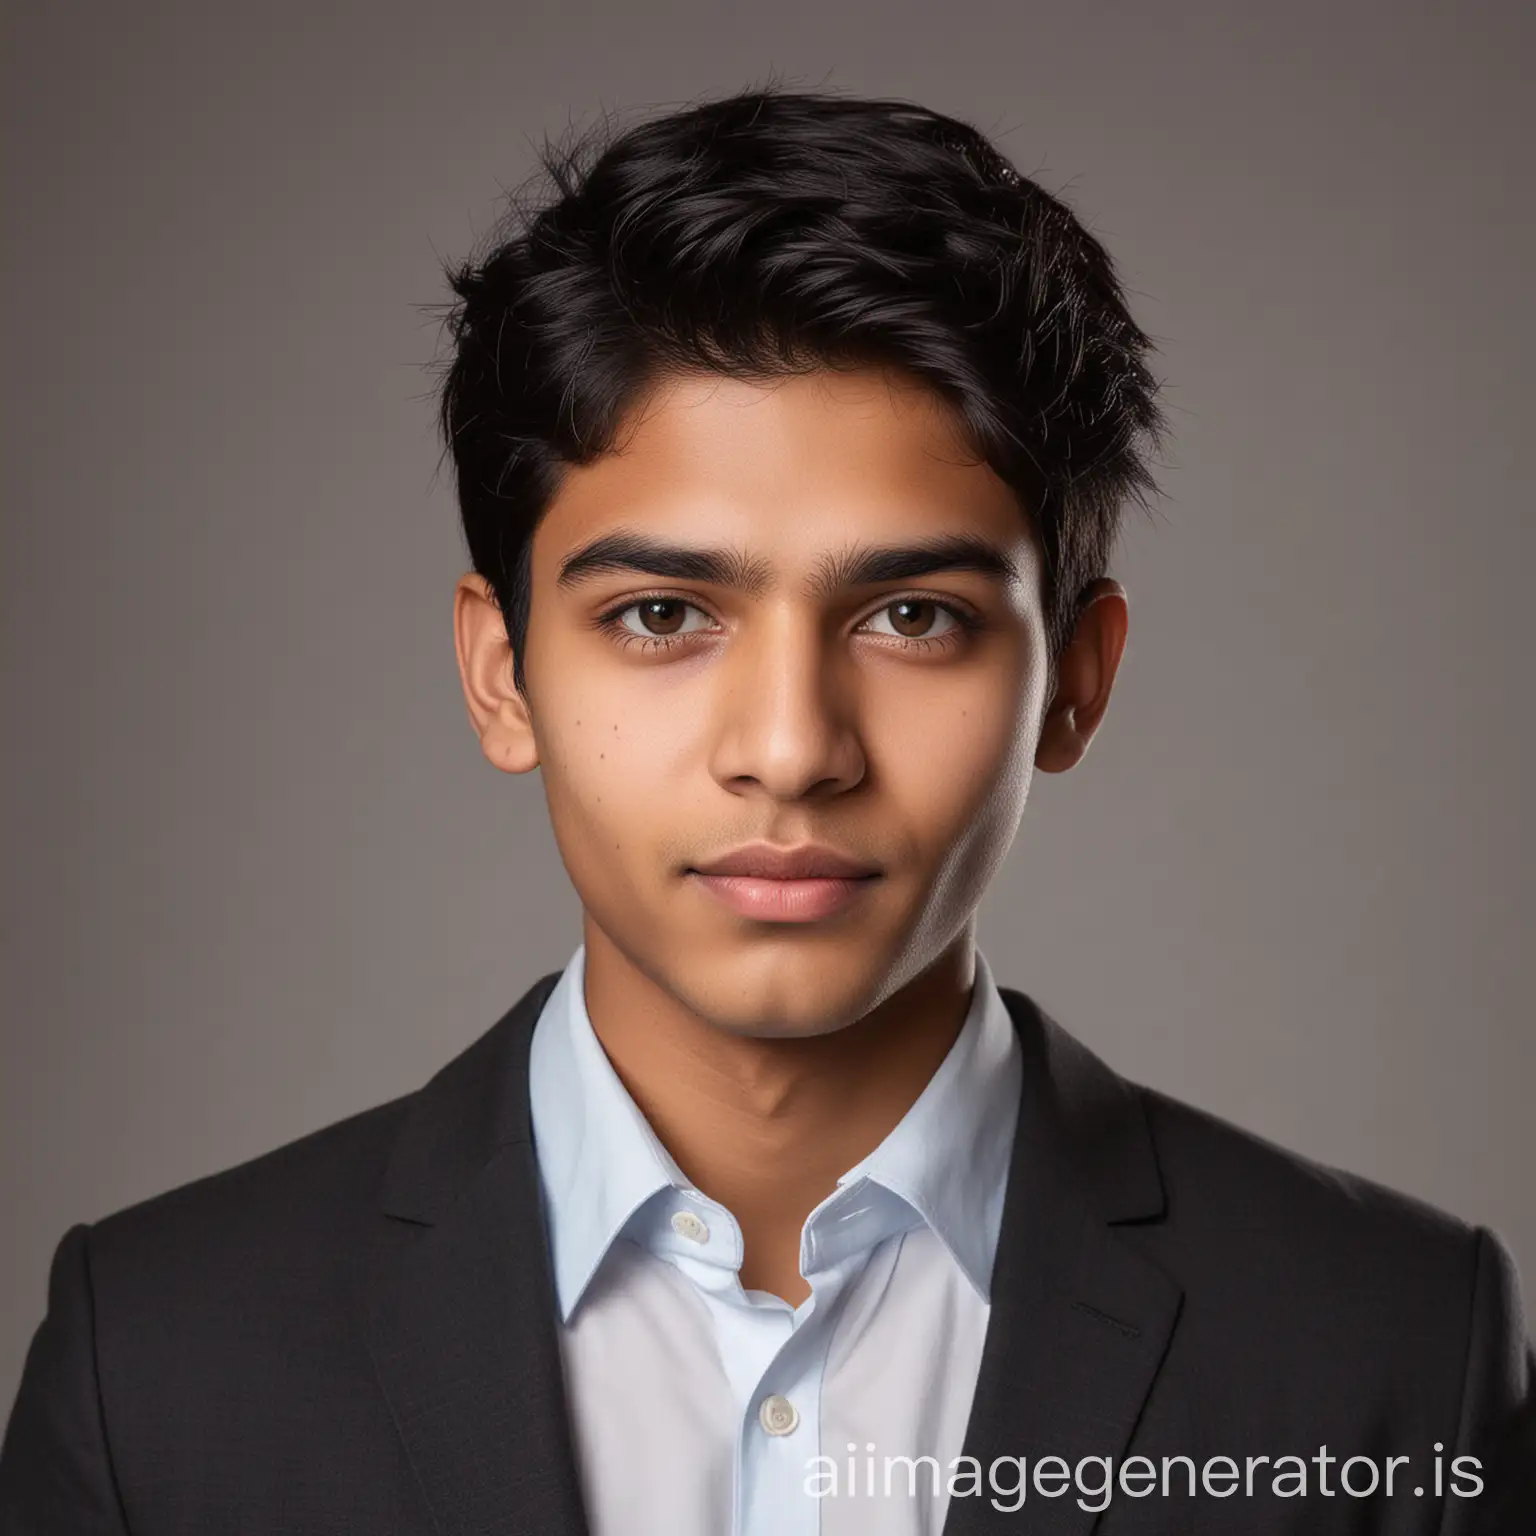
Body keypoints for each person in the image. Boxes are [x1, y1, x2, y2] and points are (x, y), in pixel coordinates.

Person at [2, 85, 1531, 1536]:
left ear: (1076, 680)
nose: (792, 751)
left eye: (914, 617)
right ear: (501, 673)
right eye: (665, 614)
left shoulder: (1393, 1351)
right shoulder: (156, 1370)